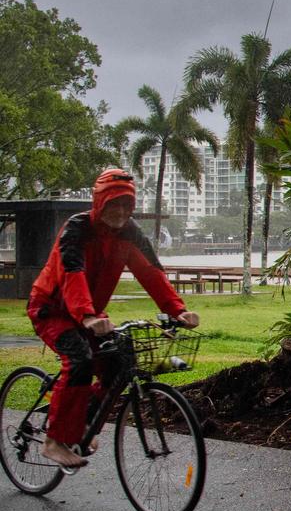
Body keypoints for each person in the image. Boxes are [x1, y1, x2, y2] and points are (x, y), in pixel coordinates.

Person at [26, 168, 200, 469]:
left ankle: (84, 423)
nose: (120, 211)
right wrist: (88, 316)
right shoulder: (77, 228)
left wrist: (177, 310)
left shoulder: (129, 233)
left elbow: (151, 272)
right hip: (52, 309)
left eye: (126, 205)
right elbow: (72, 273)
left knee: (119, 364)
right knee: (79, 361)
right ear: (99, 202)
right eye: (113, 203)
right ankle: (54, 441)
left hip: (90, 313)